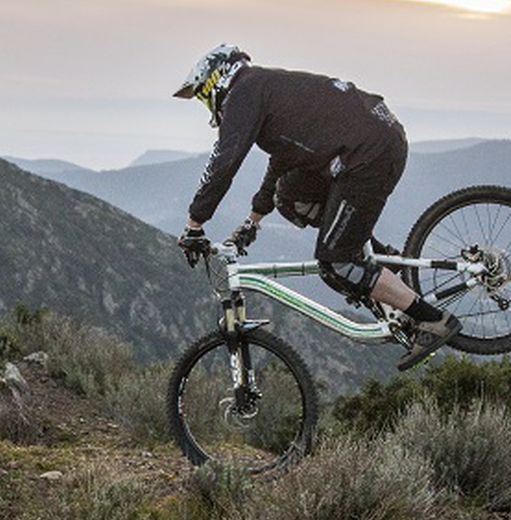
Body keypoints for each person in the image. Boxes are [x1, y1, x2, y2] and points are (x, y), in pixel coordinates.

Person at [171, 43, 462, 370]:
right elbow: (280, 161)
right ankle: (383, 265)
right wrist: (253, 220)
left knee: (335, 262)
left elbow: (225, 161)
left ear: (215, 80)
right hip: (371, 141)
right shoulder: (262, 86)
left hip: (367, 155)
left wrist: (195, 223)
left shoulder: (243, 93)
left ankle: (433, 320)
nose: (204, 103)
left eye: (200, 95)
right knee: (289, 196)